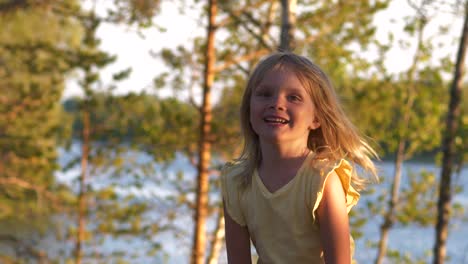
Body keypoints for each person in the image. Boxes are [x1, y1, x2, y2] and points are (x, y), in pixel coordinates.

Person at [220, 52, 379, 264]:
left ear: (316, 118)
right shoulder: (236, 182)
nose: (277, 103)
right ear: (249, 108)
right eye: (265, 94)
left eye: (293, 97)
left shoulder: (322, 180)